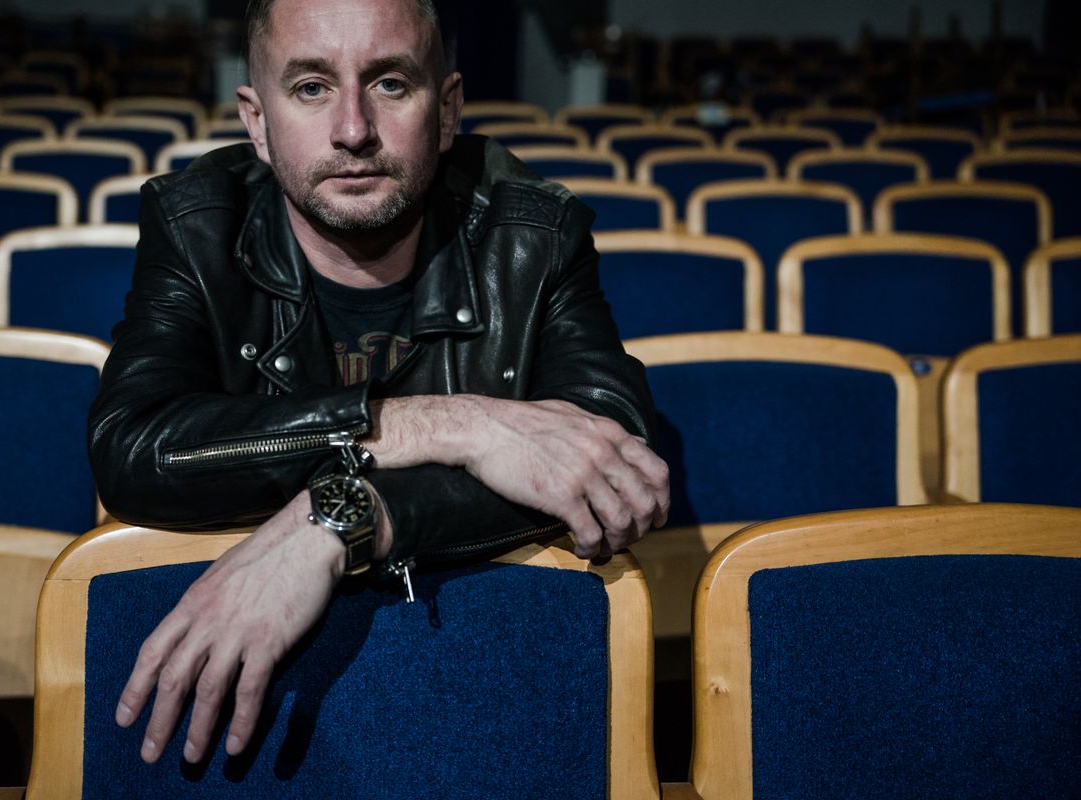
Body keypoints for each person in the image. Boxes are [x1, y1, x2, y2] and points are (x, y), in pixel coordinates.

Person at [87, 0, 669, 767]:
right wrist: (450, 425)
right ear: (256, 122)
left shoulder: (532, 233)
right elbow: (134, 448)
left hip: (484, 696)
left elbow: (609, 458)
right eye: (311, 88)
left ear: (449, 109)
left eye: (390, 83)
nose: (354, 129)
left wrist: (343, 519)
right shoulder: (196, 225)